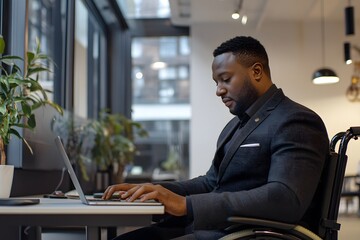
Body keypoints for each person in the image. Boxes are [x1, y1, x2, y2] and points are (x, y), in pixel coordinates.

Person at [102, 36, 329, 240]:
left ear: (257, 72)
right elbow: (211, 183)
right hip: (220, 229)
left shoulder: (296, 120)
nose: (219, 90)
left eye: (225, 79)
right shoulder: (236, 124)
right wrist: (153, 189)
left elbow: (285, 198)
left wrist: (187, 205)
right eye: (216, 82)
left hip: (251, 235)